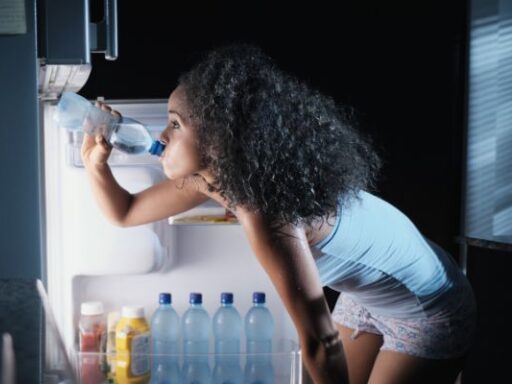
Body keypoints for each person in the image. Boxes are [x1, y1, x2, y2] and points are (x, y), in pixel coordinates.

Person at [80, 44, 476, 384]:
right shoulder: (220, 178)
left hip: (429, 305)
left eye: (175, 124)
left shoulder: (268, 212)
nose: (162, 135)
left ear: (220, 141)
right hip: (371, 294)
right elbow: (127, 212)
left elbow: (321, 341)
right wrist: (96, 164)